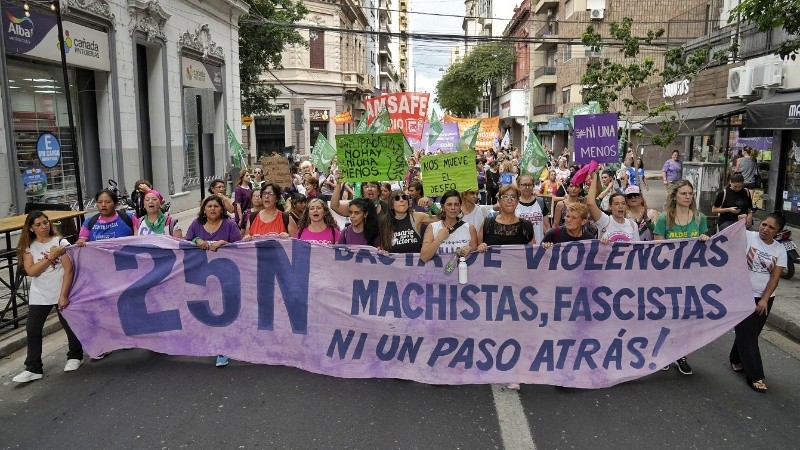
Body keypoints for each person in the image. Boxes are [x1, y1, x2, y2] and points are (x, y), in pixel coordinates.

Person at [12, 211, 83, 383]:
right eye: (38, 224)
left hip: (61, 290)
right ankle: (33, 368)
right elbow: (31, 271)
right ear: (31, 228)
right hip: (40, 294)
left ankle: (75, 355)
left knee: (69, 325)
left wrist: (64, 295)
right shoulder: (28, 247)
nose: (44, 226)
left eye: (46, 222)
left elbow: (69, 270)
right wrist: (51, 256)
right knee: (33, 329)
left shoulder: (60, 242)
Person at [654, 180, 709, 375]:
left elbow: (706, 246)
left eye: (690, 193)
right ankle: (662, 354)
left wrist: (704, 239)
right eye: (684, 193)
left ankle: (681, 354)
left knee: (685, 319)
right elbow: (657, 251)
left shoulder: (699, 217)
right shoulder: (664, 219)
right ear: (675, 196)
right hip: (669, 278)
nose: (688, 197)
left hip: (691, 278)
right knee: (668, 317)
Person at [730, 212, 786, 393]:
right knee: (748, 334)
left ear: (778, 232)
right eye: (764, 224)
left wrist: (764, 299)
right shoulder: (748, 236)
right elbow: (726, 238)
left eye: (771, 228)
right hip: (741, 294)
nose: (765, 229)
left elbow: (775, 278)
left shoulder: (779, 250)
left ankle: (736, 358)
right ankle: (755, 376)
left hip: (764, 298)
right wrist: (738, 224)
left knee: (749, 332)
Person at [185, 195, 242, 368]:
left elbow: (242, 249)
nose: (212, 209)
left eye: (216, 206)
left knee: (222, 313)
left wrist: (225, 243)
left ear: (221, 209)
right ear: (203, 209)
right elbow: (184, 244)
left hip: (226, 279)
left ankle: (222, 349)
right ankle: (206, 343)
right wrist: (196, 240)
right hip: (200, 278)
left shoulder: (230, 225)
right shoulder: (196, 225)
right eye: (208, 206)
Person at [420, 190, 478, 262]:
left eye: (456, 204)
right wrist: (439, 238)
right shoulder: (432, 227)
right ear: (443, 207)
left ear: (460, 207)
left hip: (463, 271)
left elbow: (476, 257)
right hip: (436, 272)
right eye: (449, 204)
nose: (453, 208)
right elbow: (424, 257)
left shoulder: (470, 228)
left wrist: (471, 249)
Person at [587, 169, 639, 243]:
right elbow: (590, 204)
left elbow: (637, 248)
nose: (620, 206)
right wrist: (594, 177)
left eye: (623, 203)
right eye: (616, 204)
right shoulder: (604, 221)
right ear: (610, 206)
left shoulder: (633, 225)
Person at [509, 175, 550, 243]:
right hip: (520, 247)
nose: (527, 187)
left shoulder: (540, 202)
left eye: (529, 185)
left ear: (533, 186)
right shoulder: (513, 203)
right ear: (518, 186)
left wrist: (548, 240)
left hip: (539, 247)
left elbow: (547, 227)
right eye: (524, 185)